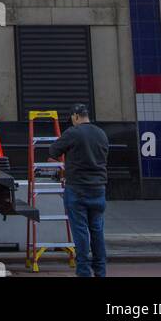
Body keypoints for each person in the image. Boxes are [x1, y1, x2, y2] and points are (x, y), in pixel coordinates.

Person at [48, 103, 109, 278]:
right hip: (99, 188)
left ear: (75, 116)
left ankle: (83, 271)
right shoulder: (101, 134)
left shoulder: (73, 133)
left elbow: (53, 151)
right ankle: (100, 270)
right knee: (97, 230)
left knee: (80, 230)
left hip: (77, 188)